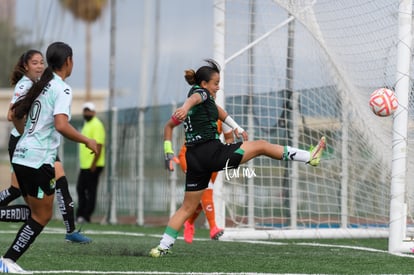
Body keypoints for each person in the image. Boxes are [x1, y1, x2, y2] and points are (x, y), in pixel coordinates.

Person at [149, 59, 326, 257]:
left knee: (187, 207)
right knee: (261, 146)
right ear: (205, 84)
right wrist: (185, 106)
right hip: (213, 155)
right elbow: (196, 98)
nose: (218, 86)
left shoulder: (204, 103)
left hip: (195, 159)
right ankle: (310, 157)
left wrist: (237, 128)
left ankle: (162, 247)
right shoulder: (200, 94)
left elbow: (203, 116)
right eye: (216, 83)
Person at [0, 41, 98, 273]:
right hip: (37, 159)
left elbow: (14, 114)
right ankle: (8, 260)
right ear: (68, 61)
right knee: (42, 215)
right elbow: (61, 125)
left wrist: (27, 136)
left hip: (22, 154)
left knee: (36, 211)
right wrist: (87, 140)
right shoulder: (61, 88)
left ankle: (8, 260)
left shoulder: (41, 85)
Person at [178, 119, 234, 243]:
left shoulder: (221, 116)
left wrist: (225, 154)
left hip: (211, 159)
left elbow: (229, 137)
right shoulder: (197, 111)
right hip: (190, 157)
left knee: (200, 196)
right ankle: (213, 227)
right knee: (206, 189)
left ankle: (189, 223)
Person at [76, 102, 105, 224]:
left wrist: (94, 164)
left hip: (93, 165)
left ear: (93, 112)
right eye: (85, 111)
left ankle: (86, 216)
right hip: (85, 165)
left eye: (89, 111)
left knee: (90, 191)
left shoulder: (96, 124)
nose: (87, 113)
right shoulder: (87, 124)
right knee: (80, 189)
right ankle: (81, 214)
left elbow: (99, 145)